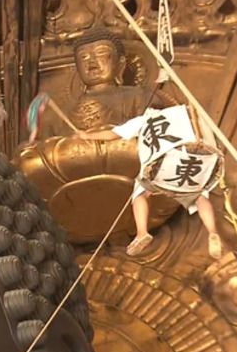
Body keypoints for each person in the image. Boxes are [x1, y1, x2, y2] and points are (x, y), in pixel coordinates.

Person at [78, 110, 223, 258]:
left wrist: (87, 136)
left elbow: (113, 134)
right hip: (198, 162)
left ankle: (142, 233)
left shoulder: (145, 120)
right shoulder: (186, 117)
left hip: (167, 164)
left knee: (140, 195)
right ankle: (212, 232)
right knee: (199, 197)